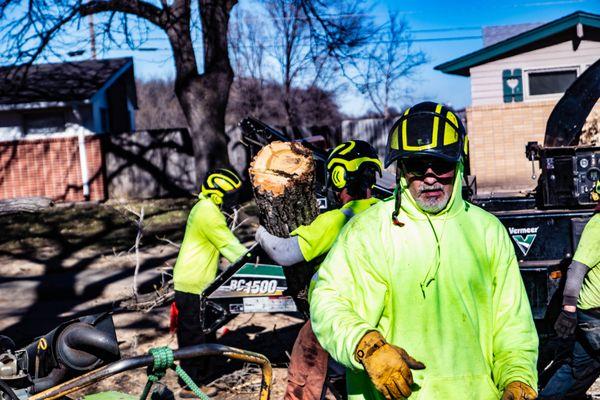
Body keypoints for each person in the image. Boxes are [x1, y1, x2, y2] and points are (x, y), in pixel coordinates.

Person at [310, 101, 539, 400]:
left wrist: (518, 377)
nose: (429, 177)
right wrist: (365, 344)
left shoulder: (487, 231)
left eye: (441, 164)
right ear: (402, 169)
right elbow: (329, 301)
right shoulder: (368, 231)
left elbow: (513, 324)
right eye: (417, 166)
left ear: (460, 161)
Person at [255, 140, 383, 400]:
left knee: (303, 374)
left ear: (339, 177)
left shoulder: (337, 220)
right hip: (375, 314)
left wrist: (259, 234)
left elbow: (285, 253)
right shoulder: (384, 212)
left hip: (337, 317)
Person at [173, 168, 248, 398]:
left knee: (206, 329)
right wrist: (255, 263)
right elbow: (230, 246)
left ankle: (202, 376)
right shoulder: (208, 212)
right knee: (194, 336)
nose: (232, 202)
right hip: (192, 283)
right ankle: (190, 387)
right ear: (217, 195)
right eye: (229, 197)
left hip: (200, 283)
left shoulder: (205, 207)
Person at [539, 180, 600, 400]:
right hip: (595, 316)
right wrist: (568, 309)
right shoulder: (598, 225)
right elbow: (576, 269)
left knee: (582, 366)